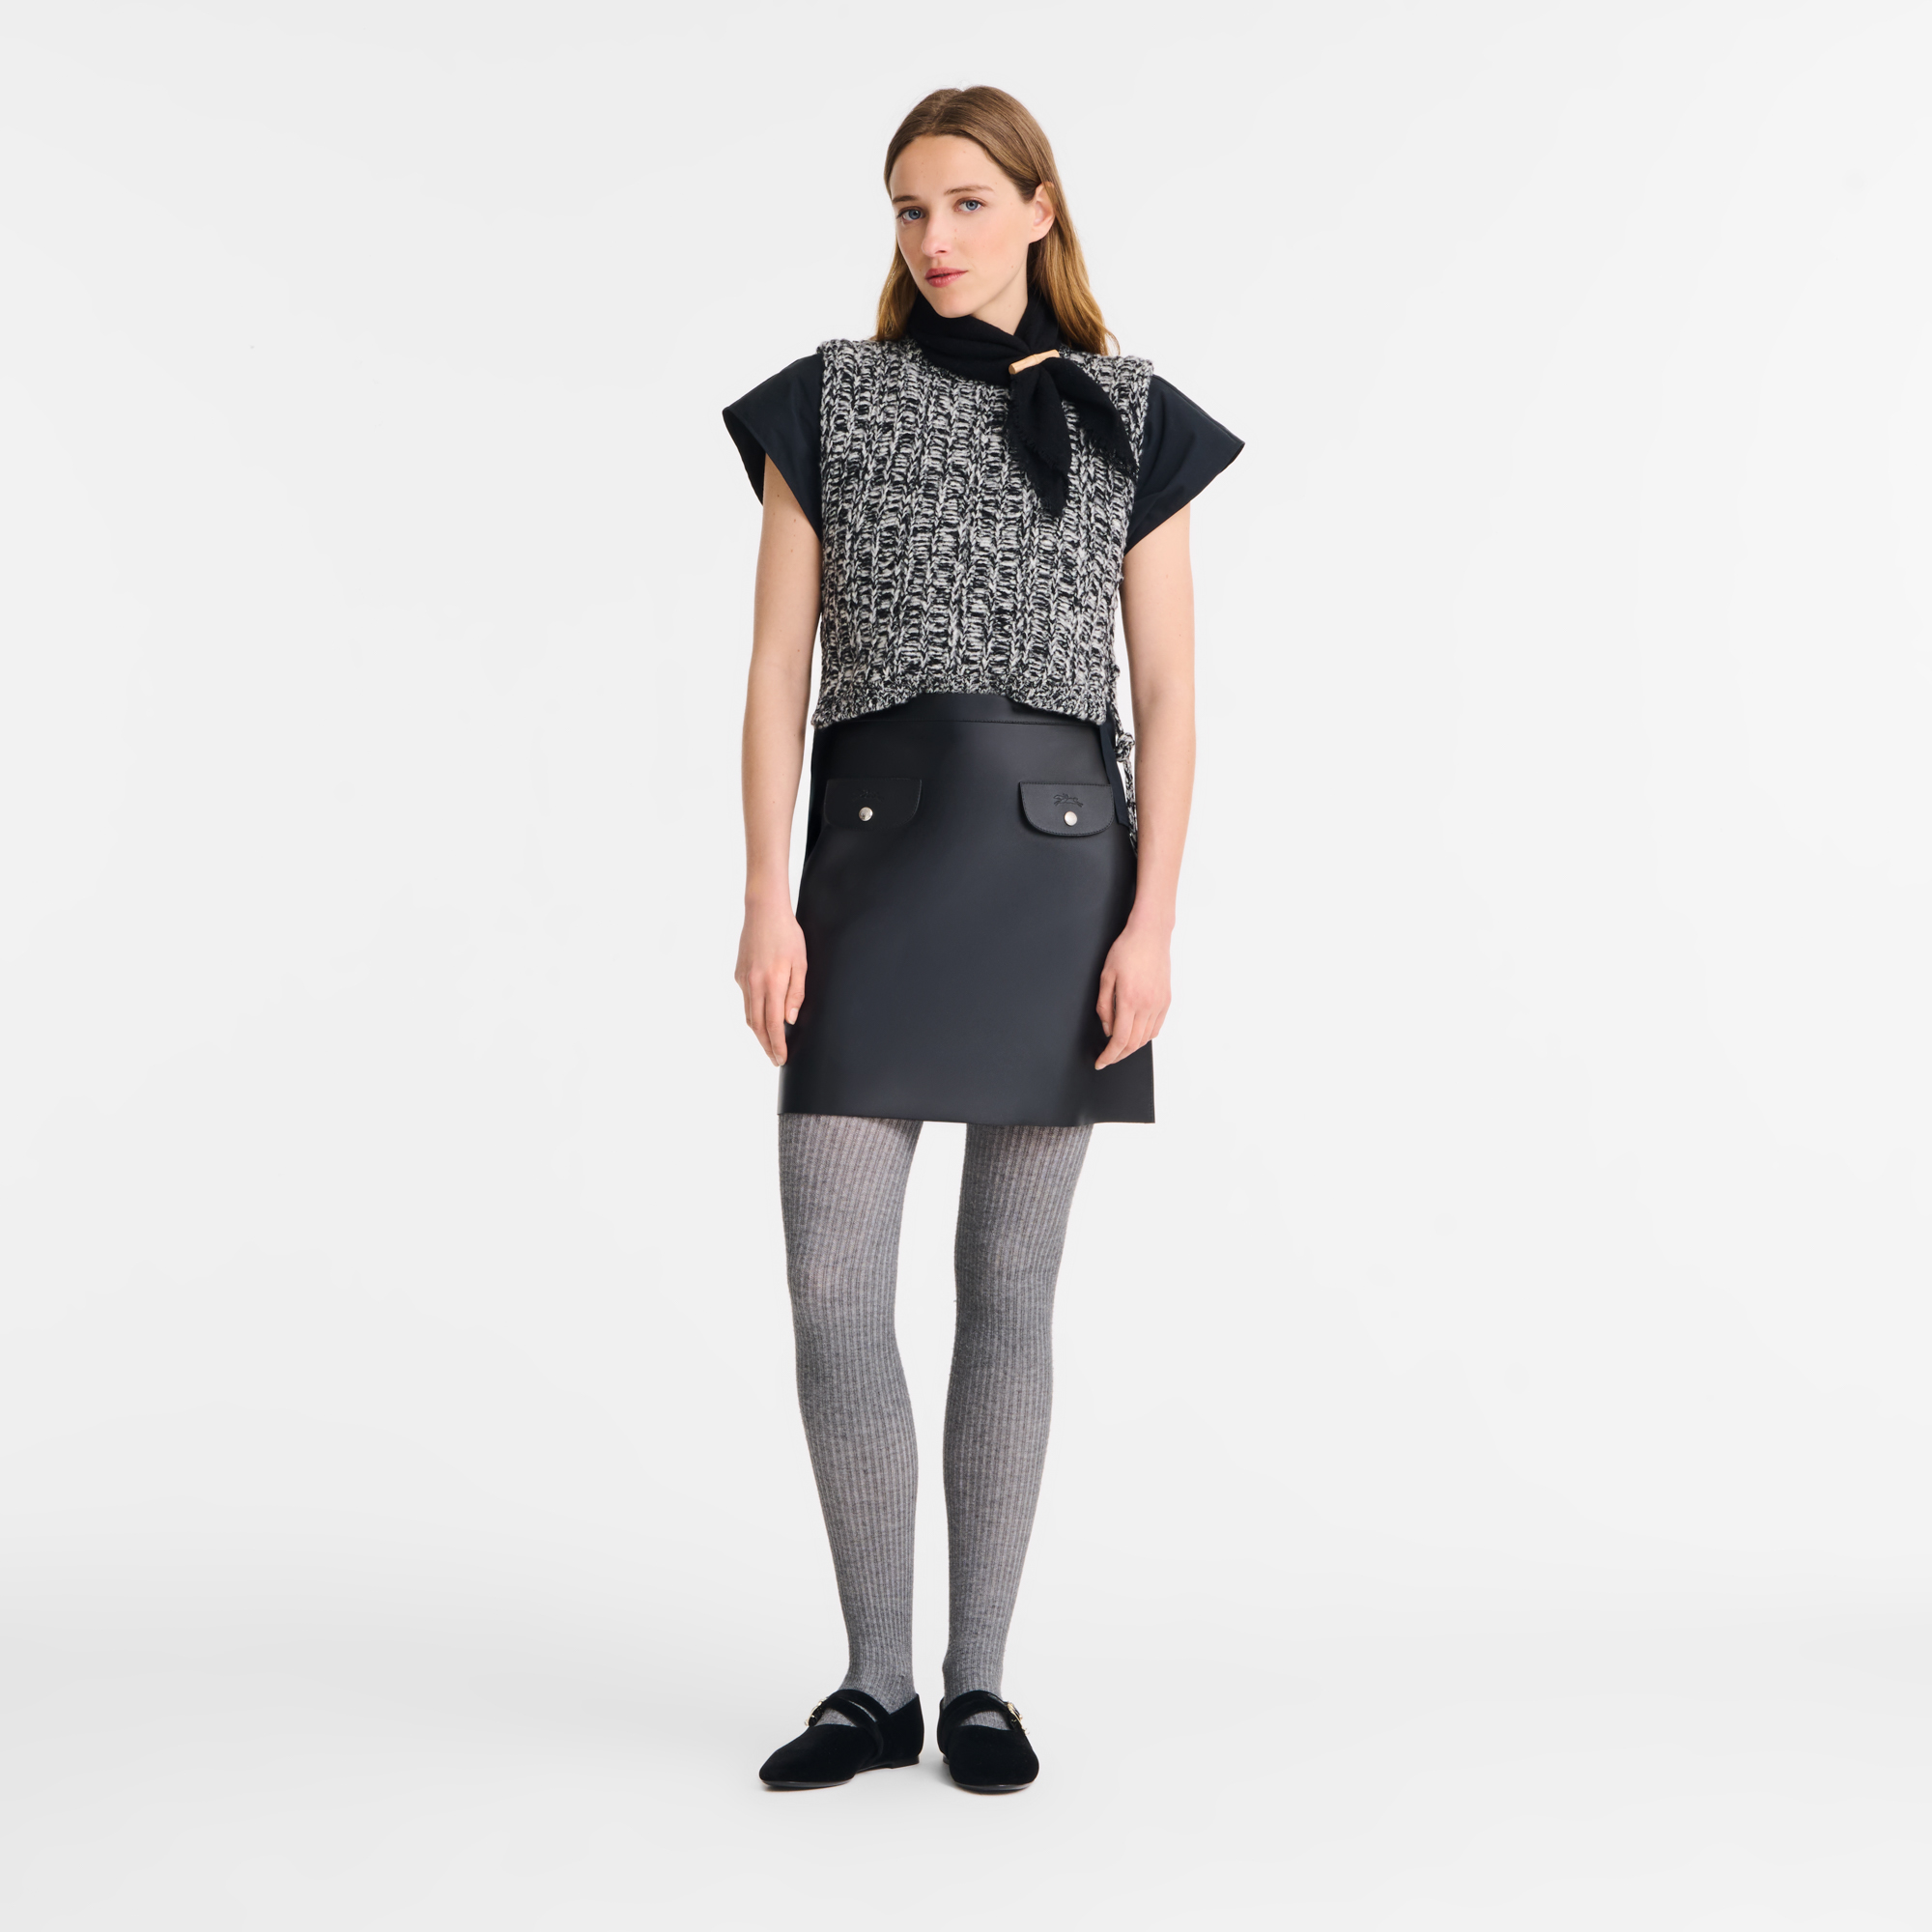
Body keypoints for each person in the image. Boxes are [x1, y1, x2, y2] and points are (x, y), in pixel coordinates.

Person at [723, 84, 1240, 1794]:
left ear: (1036, 208)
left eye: (961, 202)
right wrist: (765, 897)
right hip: (868, 866)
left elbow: (1169, 693)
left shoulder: (1132, 416)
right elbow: (776, 673)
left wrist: (1154, 920)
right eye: (906, 209)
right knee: (831, 1290)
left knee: (1008, 1293)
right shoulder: (827, 401)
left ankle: (979, 1687)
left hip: (1060, 875)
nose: (933, 237)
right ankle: (871, 1685)